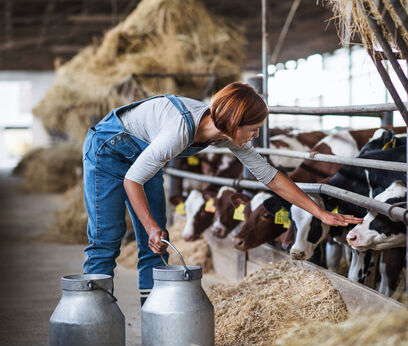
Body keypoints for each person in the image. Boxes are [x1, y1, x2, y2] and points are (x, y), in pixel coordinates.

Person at [82, 82, 362, 305]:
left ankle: (156, 327)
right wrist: (150, 225)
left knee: (157, 247)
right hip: (109, 148)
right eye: (252, 130)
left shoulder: (227, 132)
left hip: (145, 153)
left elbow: (271, 178)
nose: (254, 137)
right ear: (235, 122)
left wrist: (320, 212)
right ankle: (91, 326)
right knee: (107, 238)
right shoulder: (179, 131)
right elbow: (133, 181)